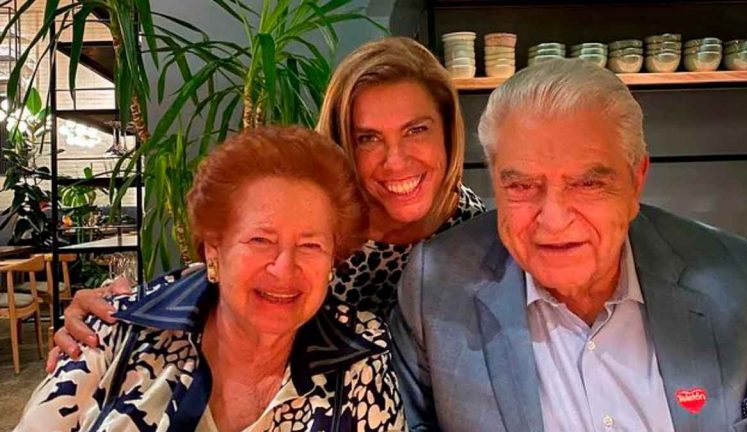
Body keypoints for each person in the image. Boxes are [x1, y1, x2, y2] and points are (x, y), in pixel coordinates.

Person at [47, 36, 485, 368]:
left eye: (417, 130)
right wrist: (112, 320)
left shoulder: (486, 244)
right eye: (367, 138)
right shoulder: (314, 225)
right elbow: (218, 291)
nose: (396, 160)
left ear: (449, 132)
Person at [390, 58, 747, 431]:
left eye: (588, 184)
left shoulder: (744, 279)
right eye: (522, 185)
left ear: (636, 181)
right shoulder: (436, 286)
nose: (553, 221)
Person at [17, 127, 405, 431]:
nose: (284, 269)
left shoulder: (360, 356)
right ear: (213, 251)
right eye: (260, 240)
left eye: (310, 245)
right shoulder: (117, 329)